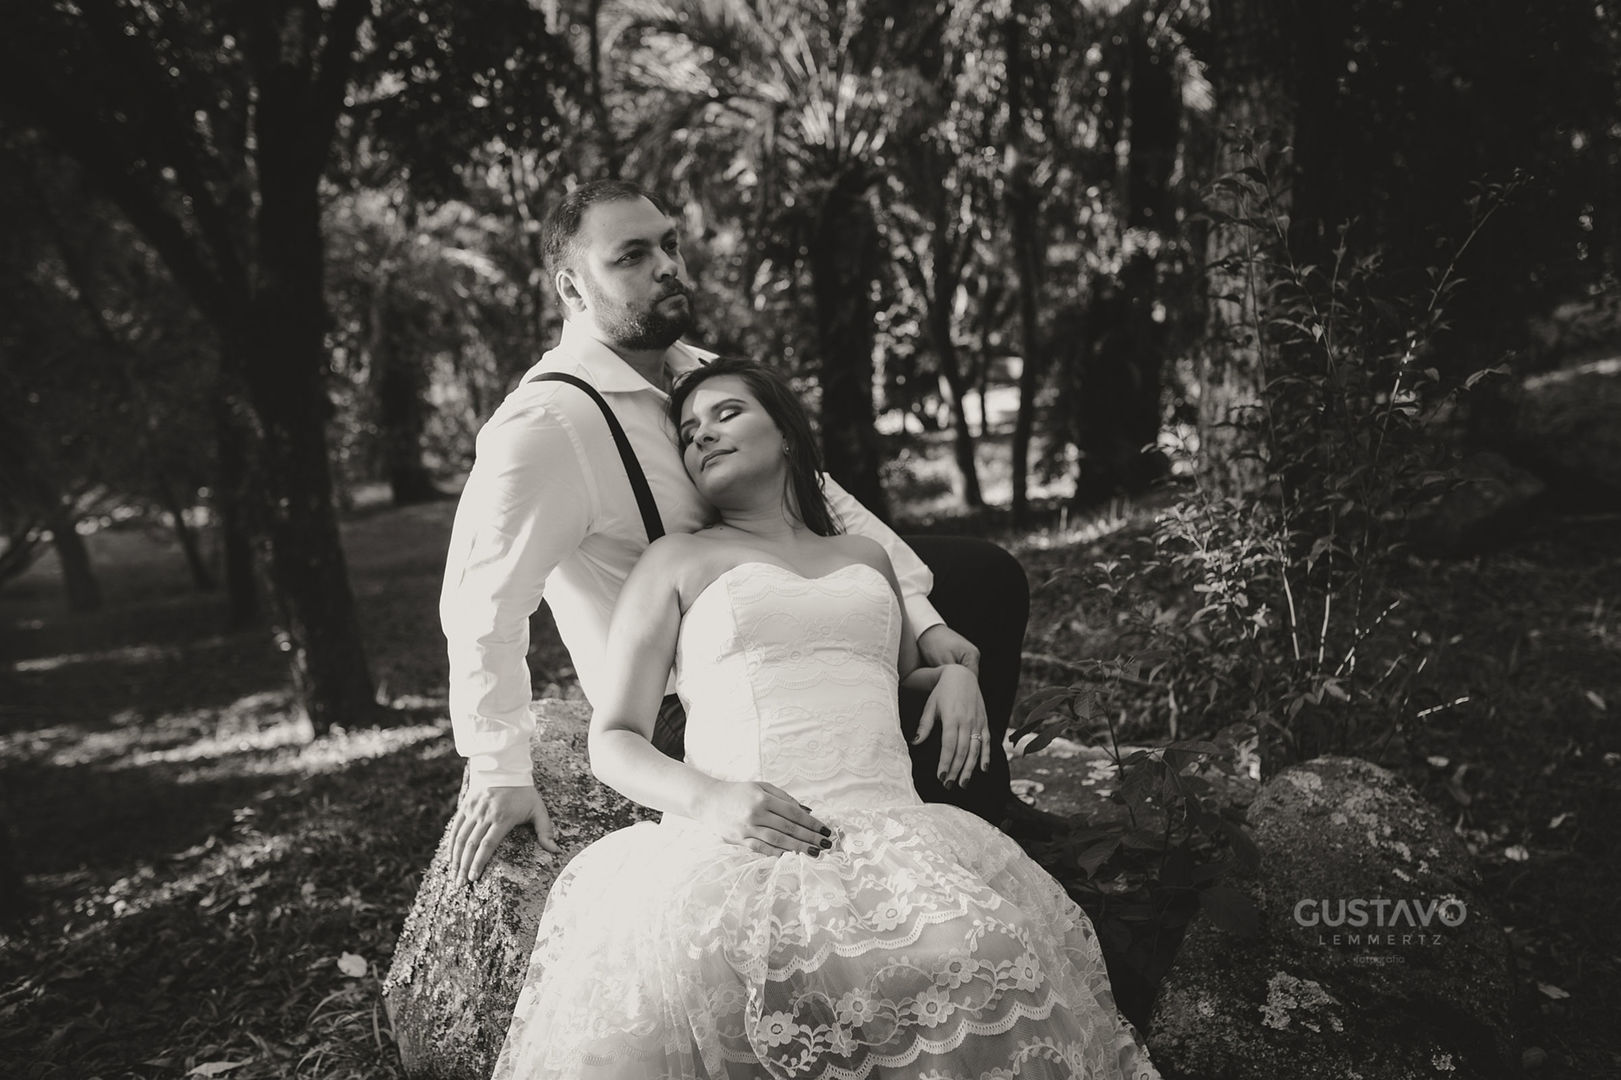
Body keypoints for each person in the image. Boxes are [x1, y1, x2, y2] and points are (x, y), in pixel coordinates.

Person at [491, 357, 1158, 1080]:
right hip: (746, 836)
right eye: (687, 433)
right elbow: (614, 738)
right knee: (715, 975)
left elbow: (895, 676)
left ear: (785, 434)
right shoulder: (673, 561)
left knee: (988, 950)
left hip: (892, 833)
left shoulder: (865, 557)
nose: (702, 436)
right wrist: (712, 800)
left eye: (726, 414)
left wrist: (958, 677)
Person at [440, 179, 1035, 884]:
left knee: (981, 579)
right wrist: (498, 768)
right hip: (682, 692)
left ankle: (969, 806)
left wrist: (925, 622)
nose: (667, 266)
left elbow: (825, 501)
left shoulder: (696, 371)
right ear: (572, 289)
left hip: (785, 611)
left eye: (669, 245)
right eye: (632, 256)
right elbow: (481, 600)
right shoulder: (547, 423)